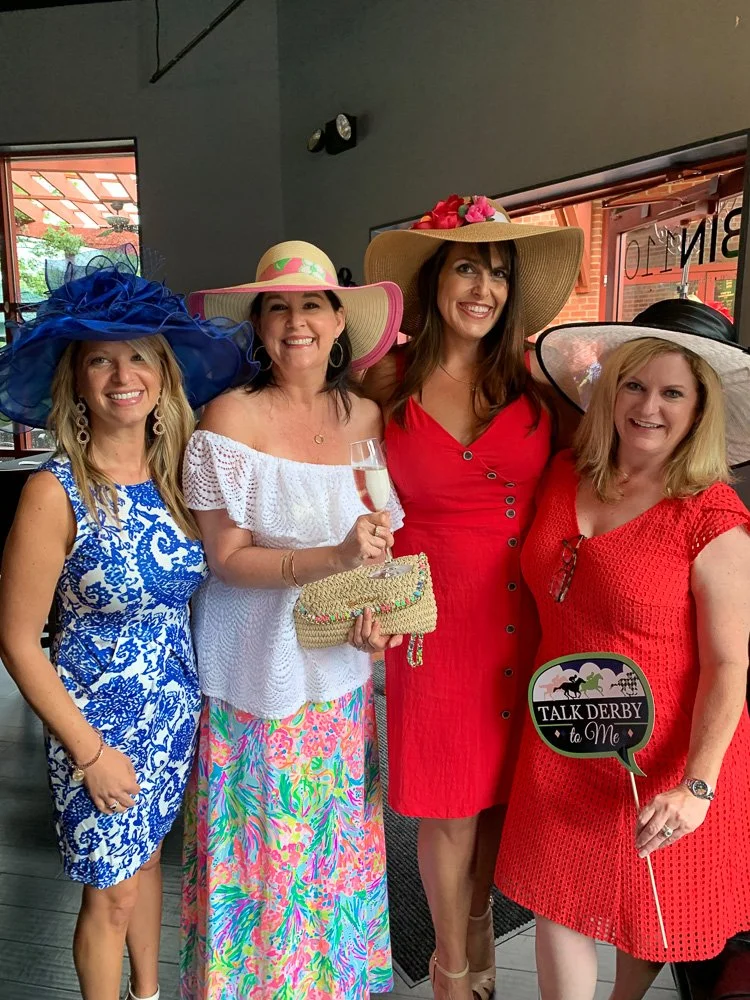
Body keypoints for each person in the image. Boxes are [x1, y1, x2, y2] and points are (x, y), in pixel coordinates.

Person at [0, 257, 247, 1000]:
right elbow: (15, 640)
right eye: (99, 359)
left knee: (143, 870)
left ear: (163, 372)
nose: (120, 375)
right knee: (108, 895)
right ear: (75, 378)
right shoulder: (55, 491)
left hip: (172, 714)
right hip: (95, 726)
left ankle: (150, 992)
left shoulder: (178, 478)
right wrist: (90, 752)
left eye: (137, 354)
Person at [362, 193, 584, 1000]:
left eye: (498, 273)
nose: (483, 288)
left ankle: (484, 929)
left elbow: (597, 479)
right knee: (446, 804)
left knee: (497, 801)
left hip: (520, 616)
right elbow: (335, 486)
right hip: (426, 618)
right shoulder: (381, 379)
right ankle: (452, 964)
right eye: (467, 267)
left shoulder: (536, 383)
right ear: (433, 279)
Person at [495, 299, 750, 1000]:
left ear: (699, 409)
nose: (648, 406)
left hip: (664, 749)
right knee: (558, 900)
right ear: (610, 390)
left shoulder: (711, 517)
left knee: (648, 907)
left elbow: (731, 665)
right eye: (635, 385)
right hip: (564, 731)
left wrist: (697, 784)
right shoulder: (562, 474)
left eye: (673, 392)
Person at [180, 240, 404, 999]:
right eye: (276, 307)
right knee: (263, 867)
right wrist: (331, 559)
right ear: (258, 325)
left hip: (338, 682)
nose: (295, 321)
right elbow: (226, 558)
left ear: (339, 320)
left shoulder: (366, 415)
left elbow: (378, 536)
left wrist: (378, 612)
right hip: (255, 683)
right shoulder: (230, 417)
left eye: (311, 304)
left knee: (329, 864)